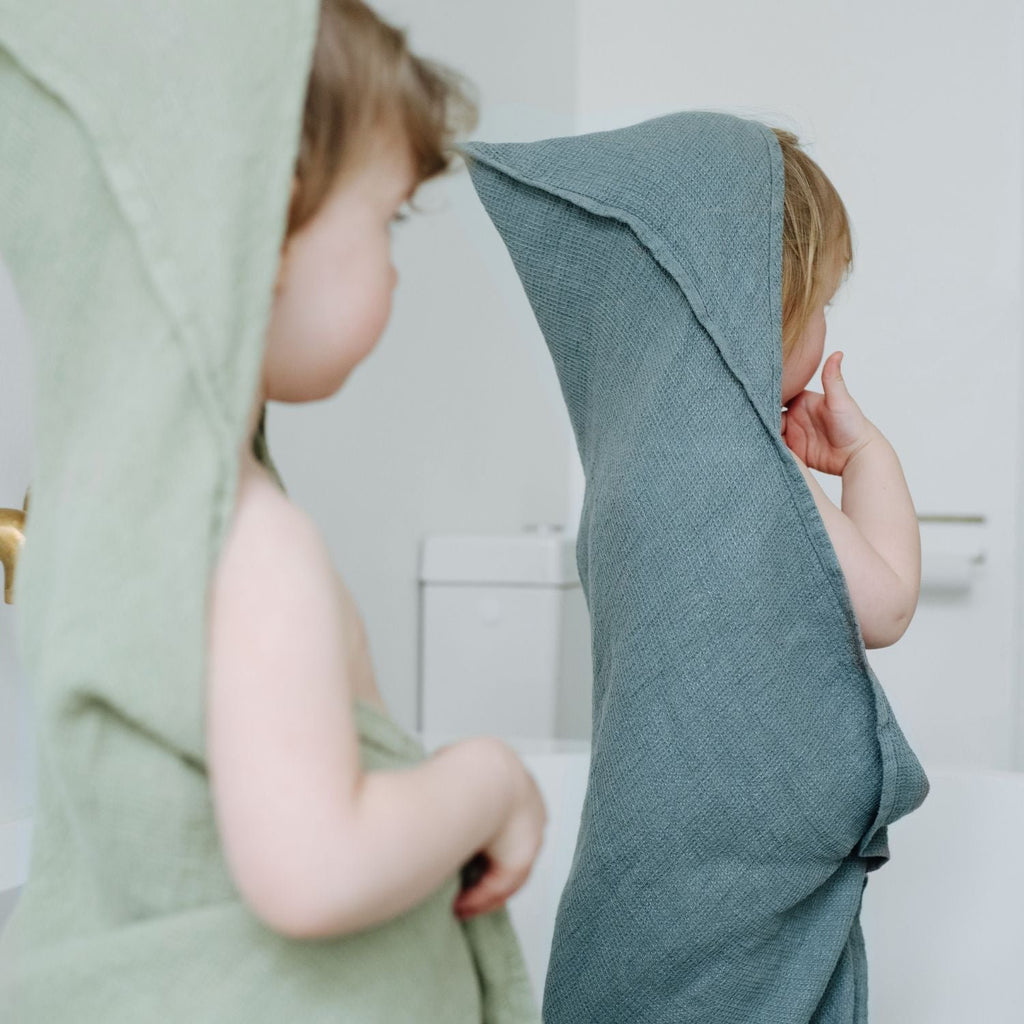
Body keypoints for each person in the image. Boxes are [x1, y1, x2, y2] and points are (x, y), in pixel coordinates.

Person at [0, 1, 543, 1019]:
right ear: (264, 222)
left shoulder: (93, 515)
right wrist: (489, 780)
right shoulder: (252, 546)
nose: (390, 265)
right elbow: (311, 867)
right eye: (383, 220)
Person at [773, 128, 921, 649]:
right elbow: (885, 610)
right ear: (774, 311)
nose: (824, 324)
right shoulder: (755, 457)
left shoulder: (645, 436)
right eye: (821, 306)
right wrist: (864, 455)